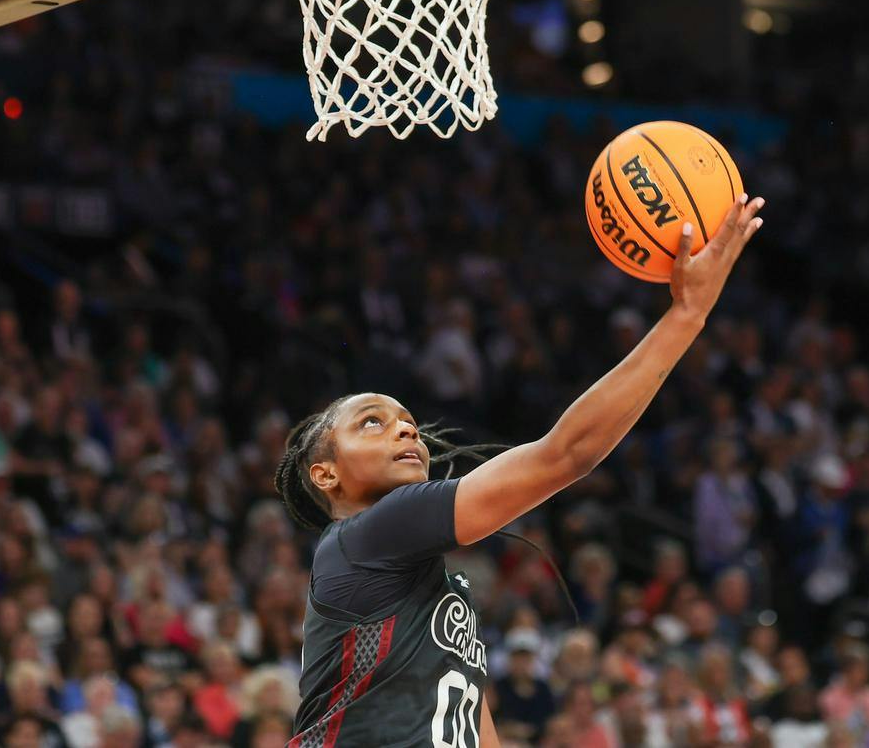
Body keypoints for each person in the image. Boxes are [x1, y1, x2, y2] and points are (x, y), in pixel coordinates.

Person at [271, 197, 764, 748]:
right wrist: (687, 314)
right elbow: (566, 454)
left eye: (408, 422)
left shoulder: (430, 589)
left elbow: (474, 726)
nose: (405, 430)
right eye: (371, 423)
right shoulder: (368, 534)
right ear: (326, 476)